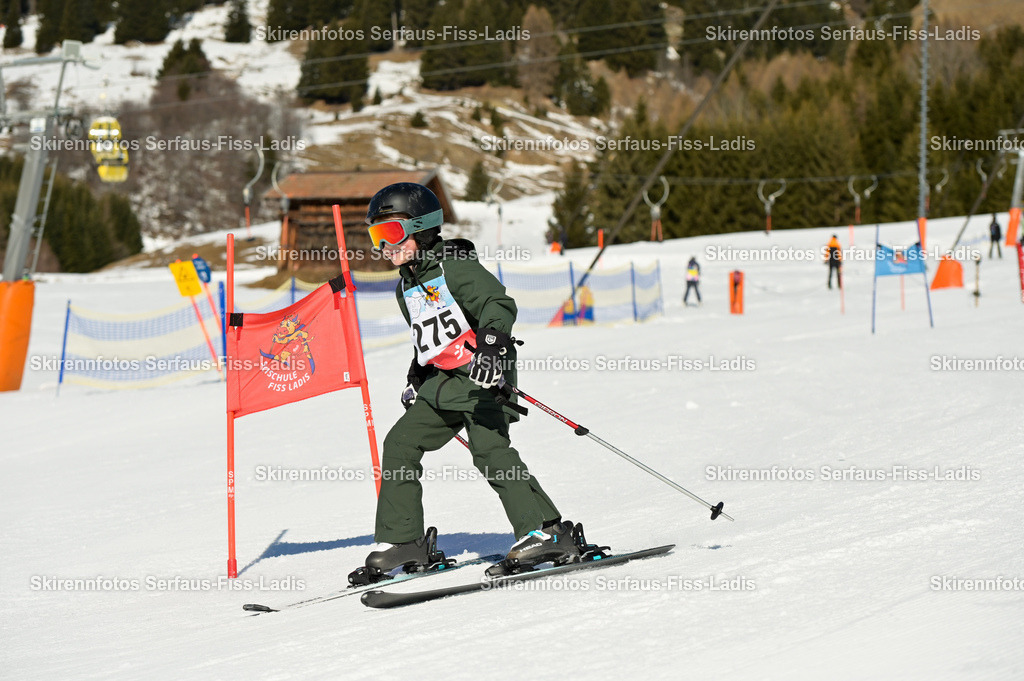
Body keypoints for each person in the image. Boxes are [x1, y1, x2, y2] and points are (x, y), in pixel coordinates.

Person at [350, 182, 578, 583]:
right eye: (376, 236)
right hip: (444, 383)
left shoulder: (454, 268)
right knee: (400, 443)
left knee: (490, 450)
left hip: (484, 376)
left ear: (421, 229)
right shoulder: (406, 285)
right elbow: (433, 335)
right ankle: (403, 540)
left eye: (391, 234)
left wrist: (492, 347)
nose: (384, 246)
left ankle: (544, 532)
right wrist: (416, 375)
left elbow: (497, 304)